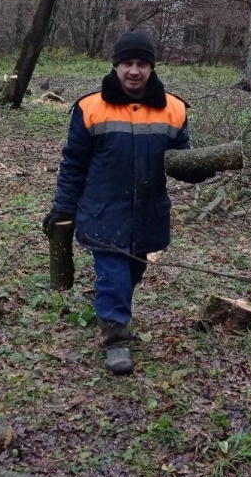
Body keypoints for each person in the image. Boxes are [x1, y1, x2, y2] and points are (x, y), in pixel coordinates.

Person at [42, 30, 211, 376]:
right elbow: (73, 164)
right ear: (116, 66)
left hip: (148, 215)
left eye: (141, 64)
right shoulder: (90, 108)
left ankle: (110, 307)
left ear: (151, 67)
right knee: (114, 275)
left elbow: (180, 158)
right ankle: (116, 339)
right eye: (127, 63)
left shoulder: (174, 109)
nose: (134, 71)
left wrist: (198, 169)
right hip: (103, 212)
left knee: (131, 272)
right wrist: (63, 207)